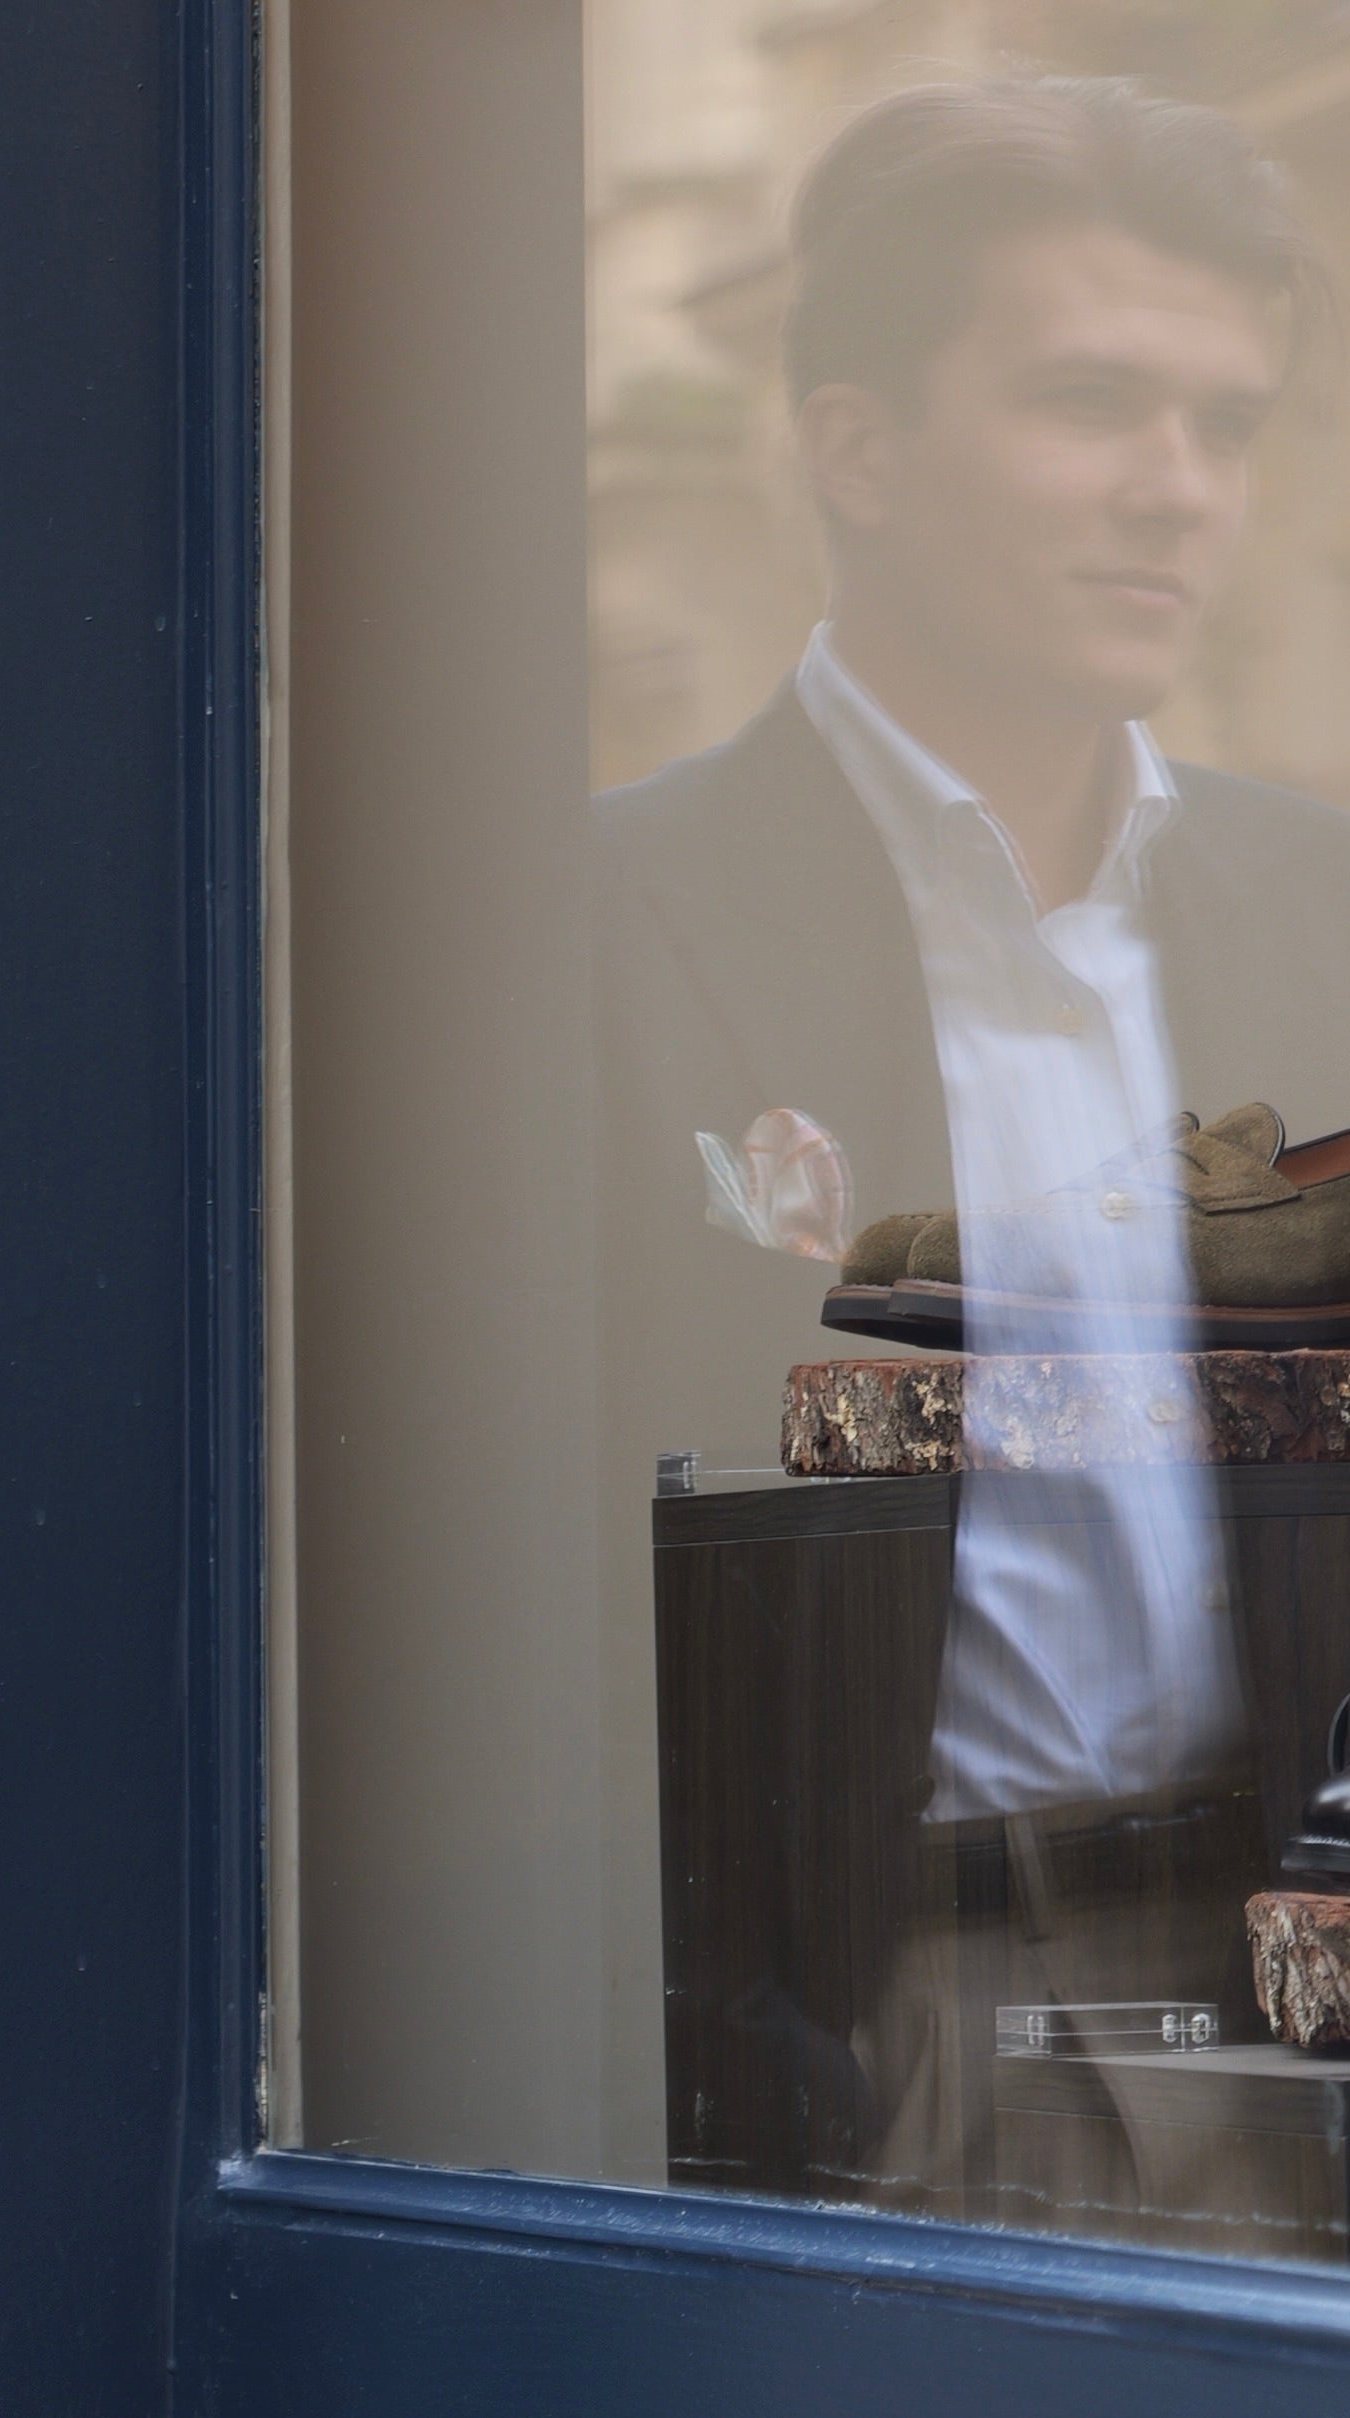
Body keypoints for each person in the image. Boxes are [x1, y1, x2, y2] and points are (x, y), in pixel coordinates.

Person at [596, 73, 1350, 2210]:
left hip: (1271, 1991)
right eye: (1092, 399)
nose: (1173, 488)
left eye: (1224, 421)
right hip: (858, 2004)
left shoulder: (1323, 907)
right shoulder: (596, 916)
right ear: (852, 446)